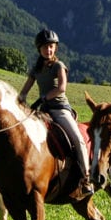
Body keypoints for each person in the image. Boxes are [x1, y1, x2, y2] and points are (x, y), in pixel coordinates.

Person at [17, 29, 95, 199]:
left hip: (60, 109)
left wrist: (44, 97)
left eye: (51, 47)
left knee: (78, 138)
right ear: (39, 49)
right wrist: (20, 100)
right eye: (45, 47)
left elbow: (61, 88)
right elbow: (25, 89)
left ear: (55, 48)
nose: (49, 50)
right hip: (43, 111)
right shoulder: (36, 69)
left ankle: (86, 178)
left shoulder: (59, 66)